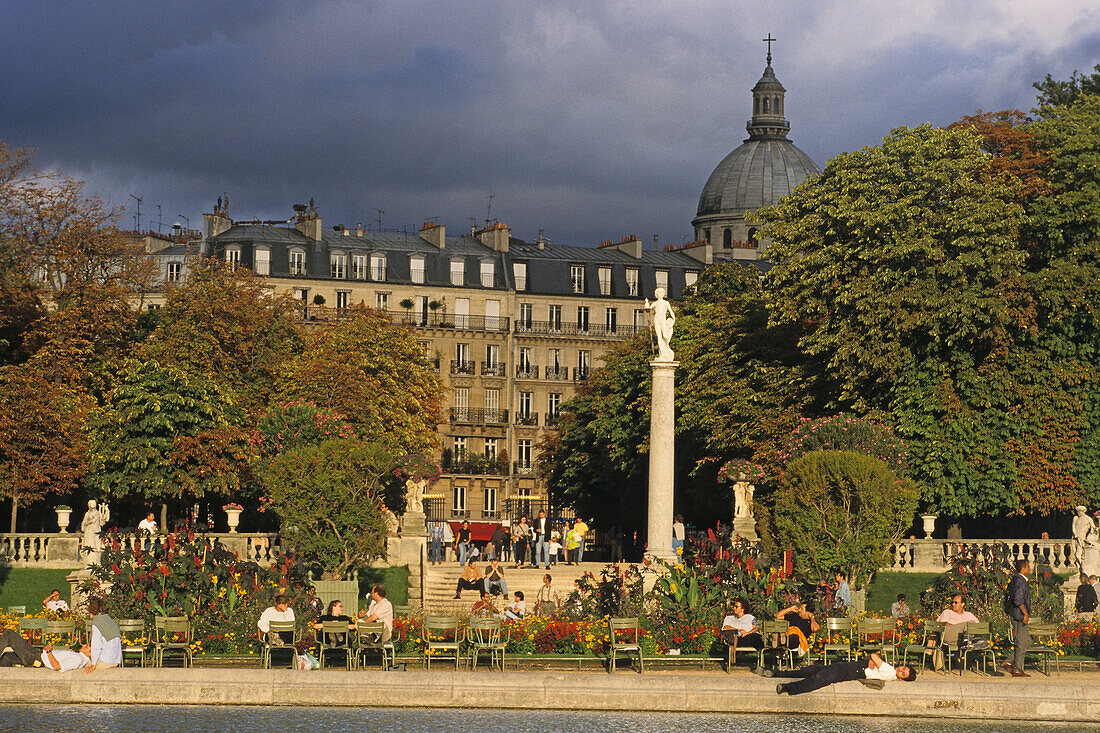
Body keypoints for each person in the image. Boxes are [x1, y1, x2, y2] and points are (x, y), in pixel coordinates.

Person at [773, 653, 915, 695]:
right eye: (903, 668)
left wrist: (873, 658)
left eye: (903, 674)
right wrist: (872, 660)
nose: (900, 670)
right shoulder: (890, 671)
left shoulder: (890, 672)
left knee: (818, 678)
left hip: (853, 670)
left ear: (902, 680)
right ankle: (778, 674)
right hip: (854, 668)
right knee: (815, 671)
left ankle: (787, 687)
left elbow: (874, 655)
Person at [931, 594, 980, 670]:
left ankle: (972, 641)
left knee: (970, 625)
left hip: (959, 639)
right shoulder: (947, 612)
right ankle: (968, 641)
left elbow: (979, 626)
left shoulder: (968, 615)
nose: (953, 604)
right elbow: (943, 625)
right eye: (952, 602)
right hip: (948, 635)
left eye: (956, 602)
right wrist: (960, 626)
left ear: (963, 604)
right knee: (969, 623)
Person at [1003, 558, 1031, 678]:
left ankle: (1009, 661)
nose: (1030, 569)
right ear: (1023, 569)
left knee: (1027, 642)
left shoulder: (1017, 579)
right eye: (1028, 567)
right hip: (1019, 615)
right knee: (1021, 642)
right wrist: (1025, 614)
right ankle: (1018, 669)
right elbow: (1018, 599)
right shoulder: (1020, 581)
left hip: (1017, 614)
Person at [85, 597, 122, 673]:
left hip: (106, 661)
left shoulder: (97, 623)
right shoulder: (108, 619)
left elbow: (96, 646)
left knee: (83, 664)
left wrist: (93, 665)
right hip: (116, 660)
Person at [643, 287, 676, 361]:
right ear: (656, 294)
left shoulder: (666, 303)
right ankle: (662, 355)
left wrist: (673, 319)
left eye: (662, 293)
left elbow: (671, 311)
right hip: (657, 320)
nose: (661, 294)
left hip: (663, 320)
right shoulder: (655, 303)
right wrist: (646, 305)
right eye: (659, 293)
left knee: (665, 336)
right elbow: (648, 309)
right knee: (659, 337)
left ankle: (667, 351)